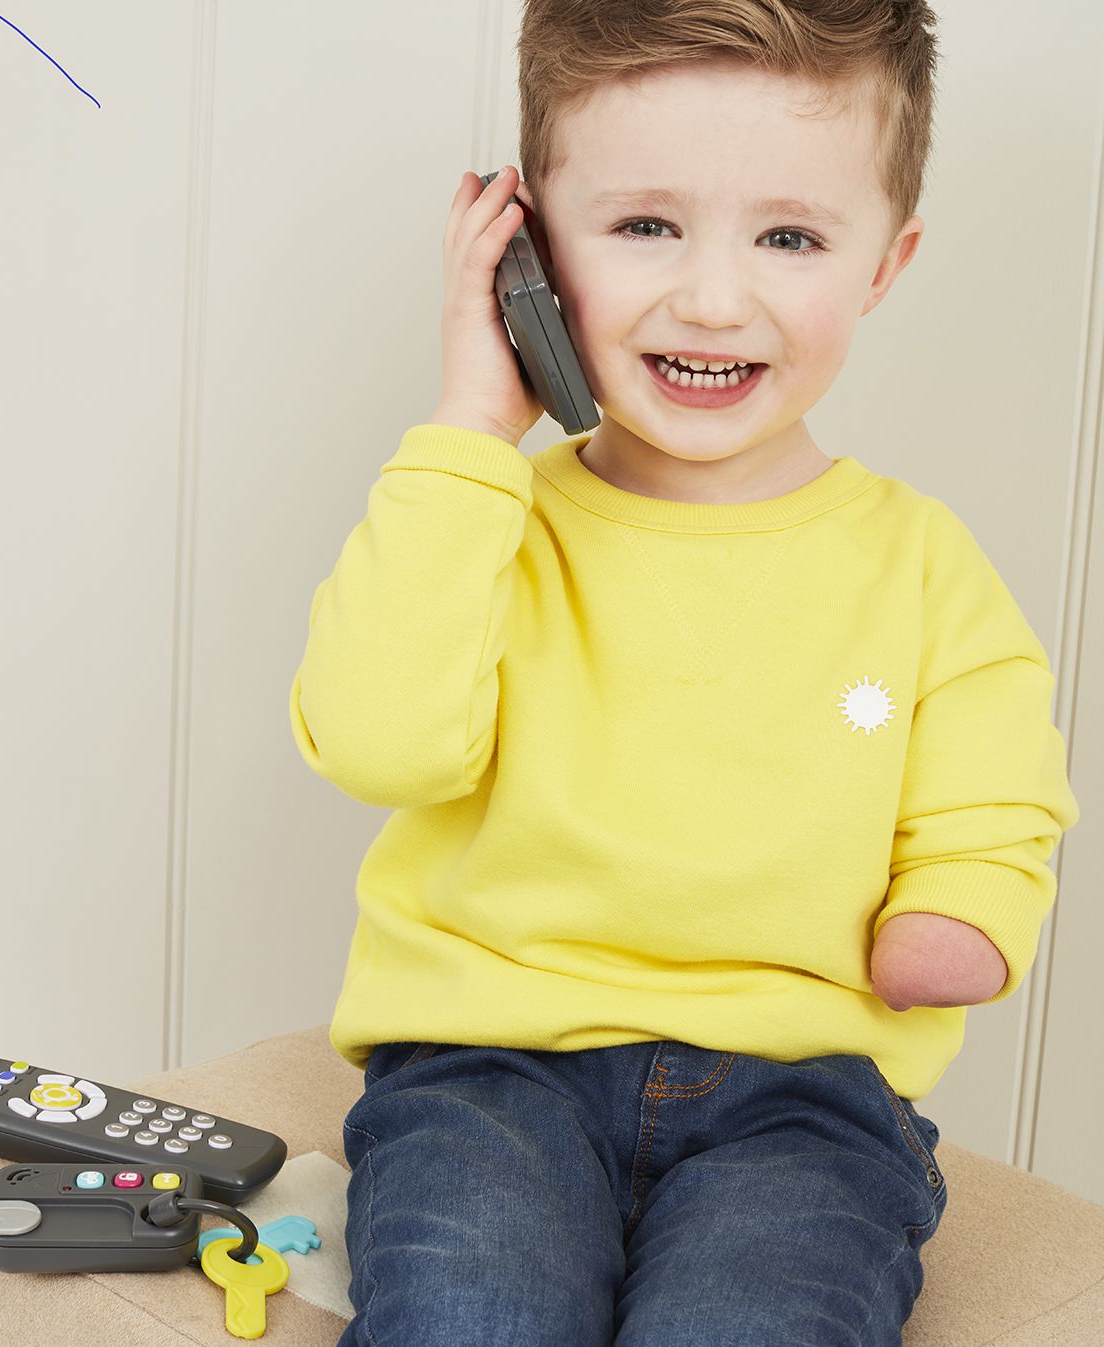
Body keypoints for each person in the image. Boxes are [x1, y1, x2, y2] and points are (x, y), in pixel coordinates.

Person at [287, 2, 1080, 1342]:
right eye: (645, 226)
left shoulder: (926, 567)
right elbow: (379, 742)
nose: (713, 298)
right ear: (526, 245)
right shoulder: (480, 518)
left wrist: (960, 916)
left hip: (810, 1101)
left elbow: (992, 810)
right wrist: (472, 427)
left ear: (886, 262)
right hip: (489, 1070)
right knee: (467, 1317)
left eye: (790, 238)